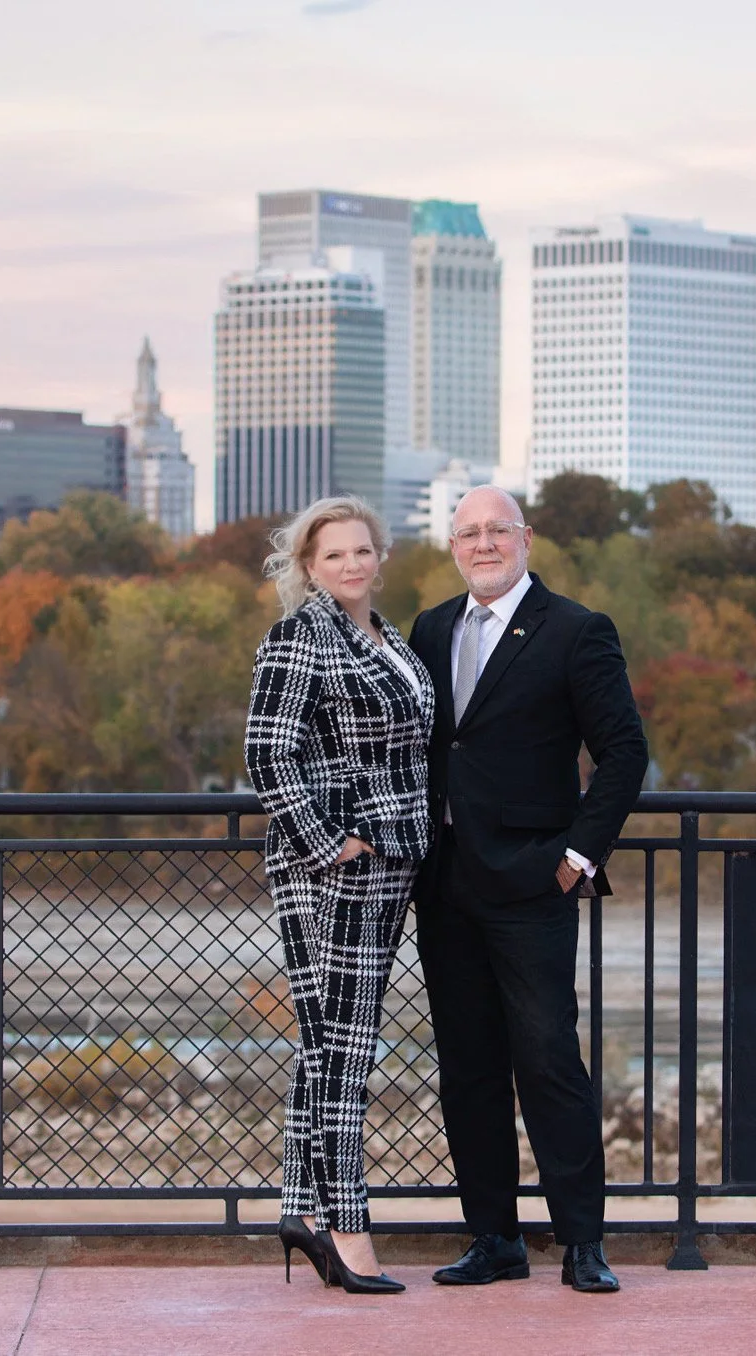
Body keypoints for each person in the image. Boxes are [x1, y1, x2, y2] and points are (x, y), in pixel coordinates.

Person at [408, 486, 649, 1294]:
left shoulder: (578, 631)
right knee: (468, 1067)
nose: (483, 544)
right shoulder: (431, 628)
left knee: (549, 1061)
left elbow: (623, 752)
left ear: (526, 539)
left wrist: (578, 856)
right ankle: (495, 1238)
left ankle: (583, 1243)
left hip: (533, 880)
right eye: (468, 533)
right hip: (445, 885)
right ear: (453, 545)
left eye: (496, 531)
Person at [244, 495, 434, 1296]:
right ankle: (348, 1228)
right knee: (347, 1047)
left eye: (363, 551)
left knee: (326, 1042)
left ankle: (301, 1210)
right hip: (335, 868)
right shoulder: (298, 637)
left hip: (394, 857)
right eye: (335, 556)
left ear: (378, 556)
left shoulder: (387, 638)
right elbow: (267, 755)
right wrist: (330, 844)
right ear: (308, 568)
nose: (353, 565)